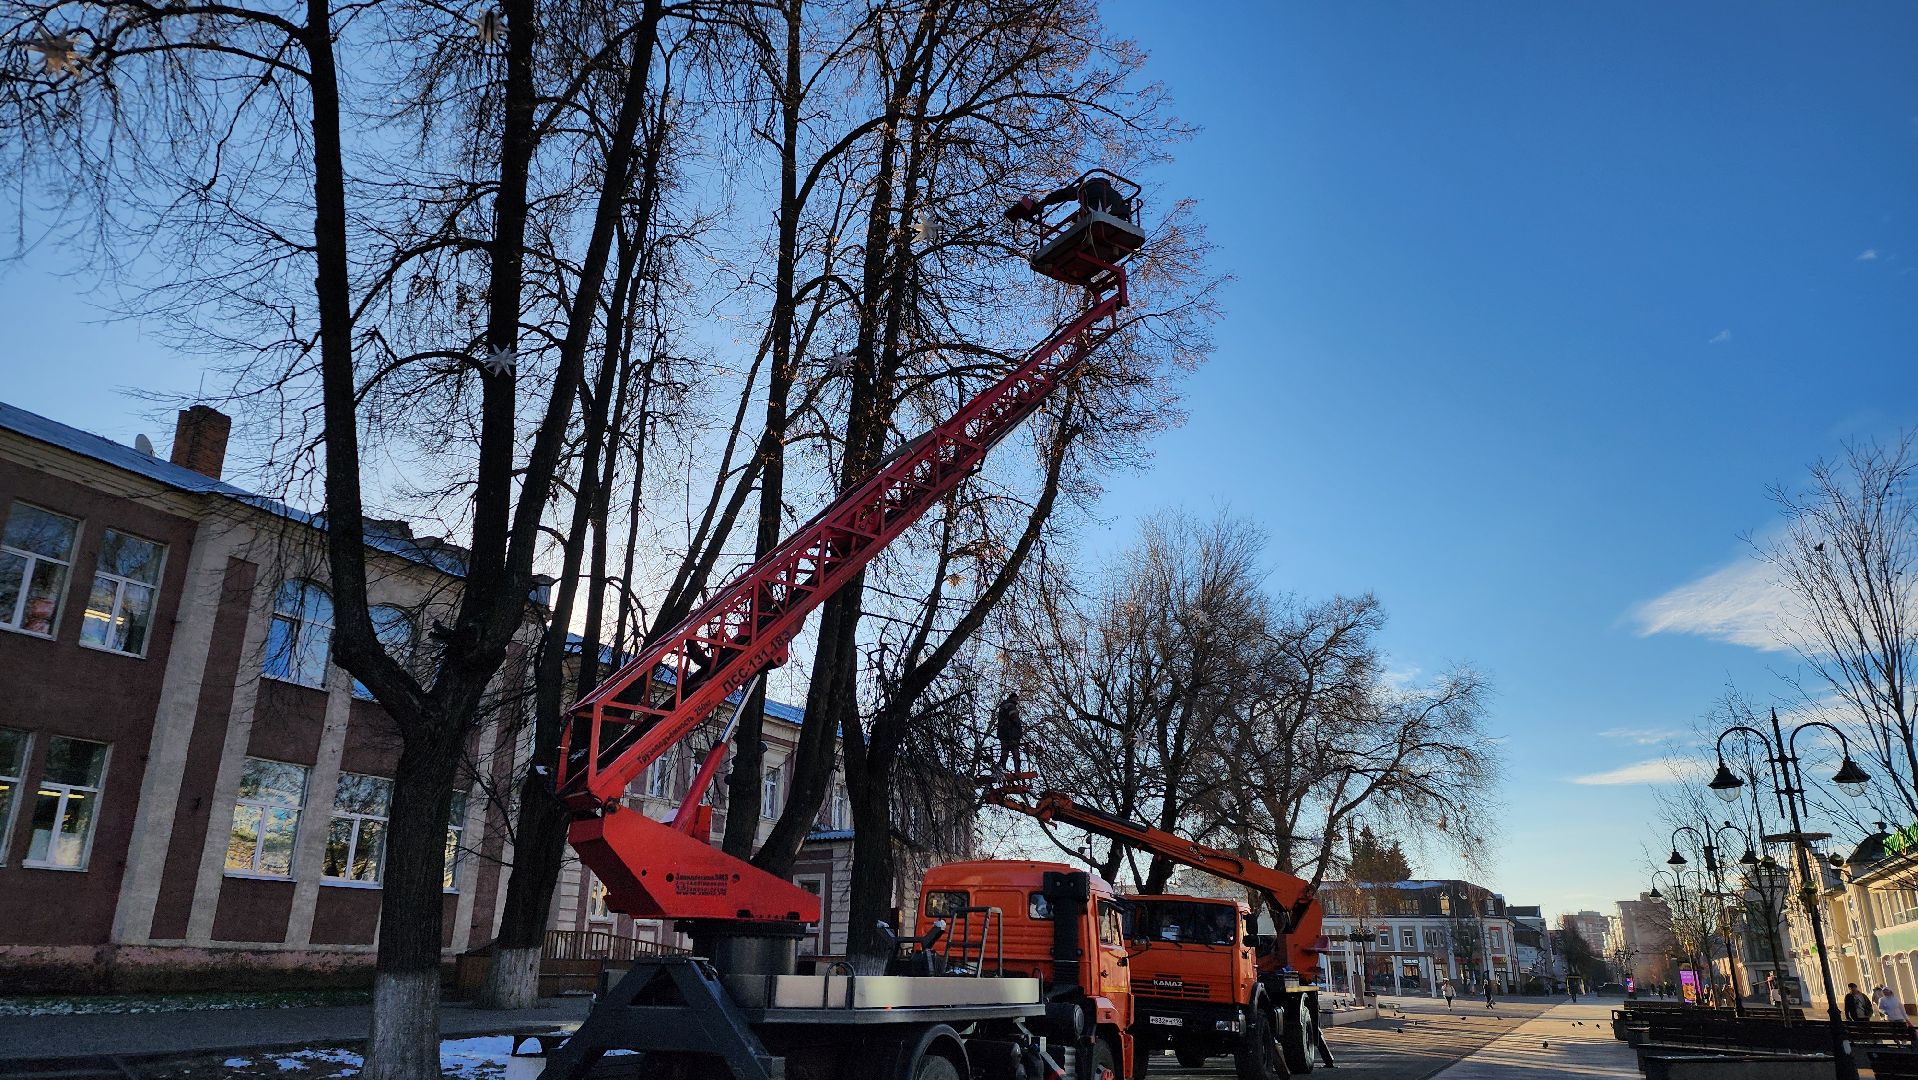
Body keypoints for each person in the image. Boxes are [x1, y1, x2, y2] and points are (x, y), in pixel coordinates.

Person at [993, 691, 1024, 777]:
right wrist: (1019, 731)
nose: (1017, 700)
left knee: (1004, 753)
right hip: (1012, 735)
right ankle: (1017, 772)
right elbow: (1015, 719)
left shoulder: (1002, 707)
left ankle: (1001, 770)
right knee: (1015, 754)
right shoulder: (1011, 706)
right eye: (1016, 698)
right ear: (1014, 698)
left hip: (1003, 735)